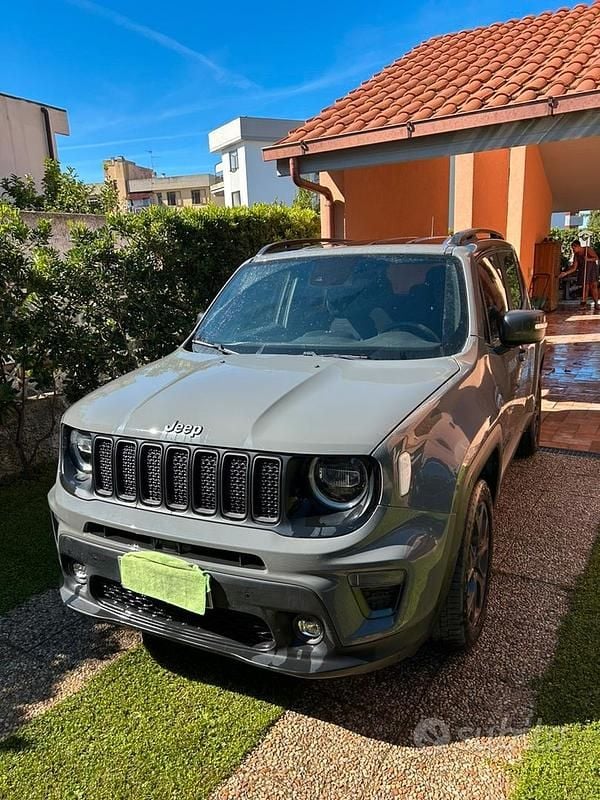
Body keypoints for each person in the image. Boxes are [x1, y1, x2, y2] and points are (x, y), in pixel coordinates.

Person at [562, 240, 599, 309]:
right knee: (585, 287)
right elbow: (574, 268)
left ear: (578, 246)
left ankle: (596, 304)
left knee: (594, 286)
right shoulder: (576, 255)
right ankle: (583, 304)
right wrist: (566, 273)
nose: (573, 250)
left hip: (592, 270)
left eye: (573, 248)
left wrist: (588, 259)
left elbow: (596, 258)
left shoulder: (588, 249)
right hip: (584, 271)